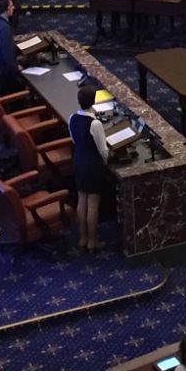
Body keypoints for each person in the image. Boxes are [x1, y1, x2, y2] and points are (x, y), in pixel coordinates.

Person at [68, 86, 109, 252]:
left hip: (78, 161)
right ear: (94, 101)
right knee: (93, 205)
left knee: (81, 200)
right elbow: (103, 150)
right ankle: (93, 241)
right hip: (92, 165)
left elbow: (74, 140)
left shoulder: (72, 117)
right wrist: (105, 163)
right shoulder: (95, 123)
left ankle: (82, 238)